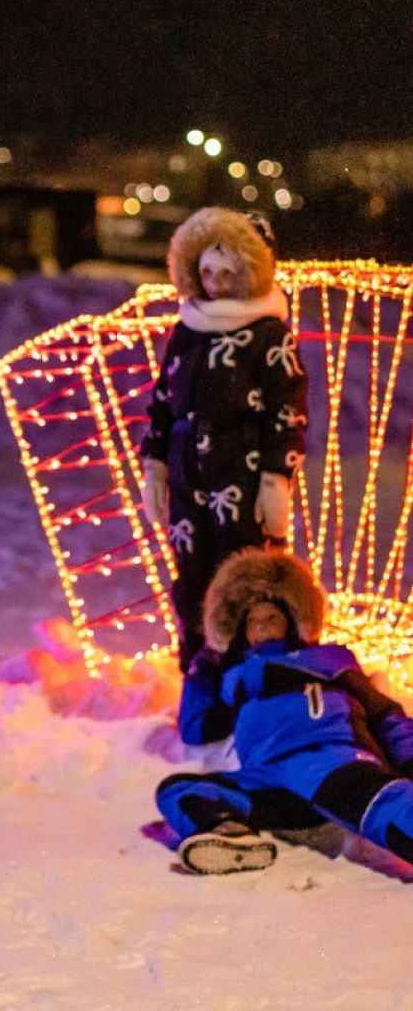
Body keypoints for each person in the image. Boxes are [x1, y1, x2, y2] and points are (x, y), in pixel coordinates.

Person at [156, 548, 413, 876]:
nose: (261, 627)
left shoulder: (329, 659)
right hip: (272, 777)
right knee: (179, 790)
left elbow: (384, 714)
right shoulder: (235, 679)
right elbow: (196, 728)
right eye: (252, 621)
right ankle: (231, 836)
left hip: (330, 761)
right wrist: (200, 669)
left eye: (271, 618)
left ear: (291, 621)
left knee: (388, 804)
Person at [140, 206, 309, 689]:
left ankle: (253, 680)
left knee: (245, 582)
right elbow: (163, 402)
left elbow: (287, 413)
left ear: (249, 272)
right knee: (191, 578)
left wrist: (276, 480)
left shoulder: (269, 336)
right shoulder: (187, 331)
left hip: (242, 475)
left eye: (227, 272)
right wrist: (155, 464)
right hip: (188, 477)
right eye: (206, 271)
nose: (214, 283)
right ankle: (201, 680)